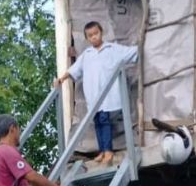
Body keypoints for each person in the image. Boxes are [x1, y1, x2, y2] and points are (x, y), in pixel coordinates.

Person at [53, 21, 139, 167]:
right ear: (87, 38)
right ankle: (102, 150)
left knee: (105, 121)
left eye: (96, 34)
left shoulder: (112, 49)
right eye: (90, 35)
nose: (94, 37)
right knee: (98, 122)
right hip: (94, 97)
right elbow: (74, 69)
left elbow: (131, 52)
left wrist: (143, 44)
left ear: (101, 32)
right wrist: (62, 78)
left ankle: (108, 151)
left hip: (109, 95)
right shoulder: (87, 55)